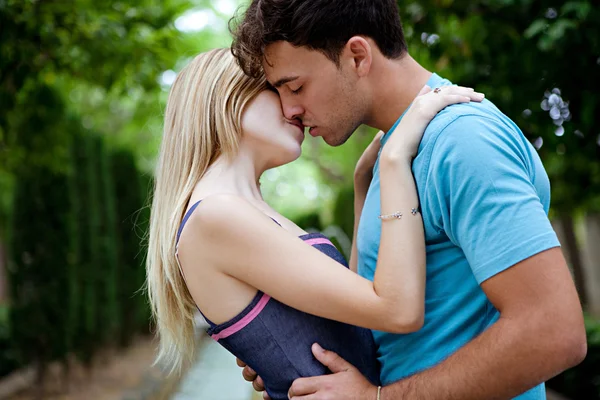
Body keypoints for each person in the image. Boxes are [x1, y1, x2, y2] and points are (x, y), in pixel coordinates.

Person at [230, 1, 587, 399]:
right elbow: (385, 327)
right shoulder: (395, 152)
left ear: (358, 56)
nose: (289, 110)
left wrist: (376, 398)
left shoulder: (461, 141)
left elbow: (553, 330)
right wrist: (286, 347)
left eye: (295, 86)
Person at [144, 48, 483, 400]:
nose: (294, 108)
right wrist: (395, 160)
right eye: (279, 90)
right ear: (229, 98)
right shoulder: (217, 215)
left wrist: (363, 188)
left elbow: (355, 315)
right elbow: (397, 310)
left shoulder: (241, 209)